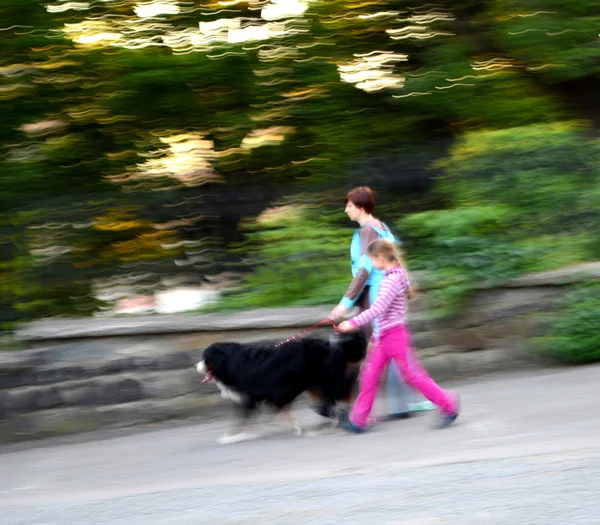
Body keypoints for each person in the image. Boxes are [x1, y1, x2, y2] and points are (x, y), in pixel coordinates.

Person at [327, 186, 432, 418]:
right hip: (391, 291)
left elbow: (363, 271)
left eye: (349, 206)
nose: (346, 210)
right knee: (396, 348)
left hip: (377, 294)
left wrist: (345, 303)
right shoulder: (382, 227)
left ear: (361, 207)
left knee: (385, 350)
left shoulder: (367, 232)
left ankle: (380, 407)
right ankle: (402, 403)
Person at [337, 239, 460, 432]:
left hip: (395, 336)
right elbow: (382, 314)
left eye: (372, 259)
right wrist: (375, 337)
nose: (372, 264)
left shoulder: (392, 280)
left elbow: (378, 309)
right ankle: (359, 420)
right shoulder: (392, 276)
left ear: (380, 258)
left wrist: (352, 323)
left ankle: (449, 404)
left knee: (413, 376)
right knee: (369, 376)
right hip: (383, 337)